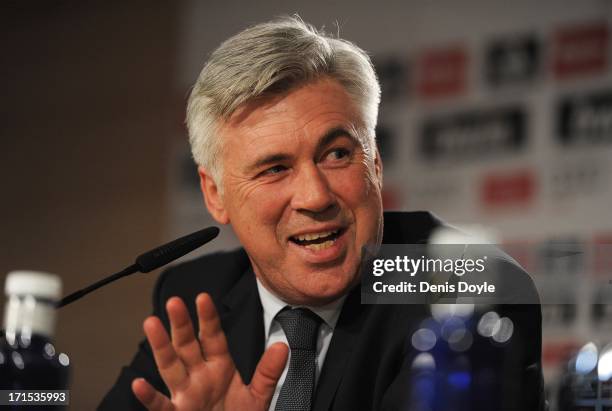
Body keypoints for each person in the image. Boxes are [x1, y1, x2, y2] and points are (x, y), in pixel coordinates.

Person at [99, 16, 546, 411]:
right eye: (274, 169)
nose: (315, 197)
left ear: (374, 163)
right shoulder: (199, 299)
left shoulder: (463, 295)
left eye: (336, 154)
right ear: (215, 194)